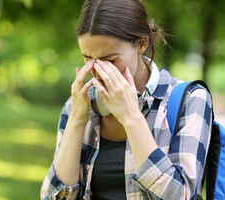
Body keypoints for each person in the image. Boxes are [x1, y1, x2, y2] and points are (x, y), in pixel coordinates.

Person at [40, 0, 212, 199]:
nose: (97, 71)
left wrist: (131, 117)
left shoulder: (191, 100)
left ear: (141, 44)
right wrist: (77, 120)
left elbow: (182, 196)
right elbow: (53, 197)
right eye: (87, 59)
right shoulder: (78, 105)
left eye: (110, 60)